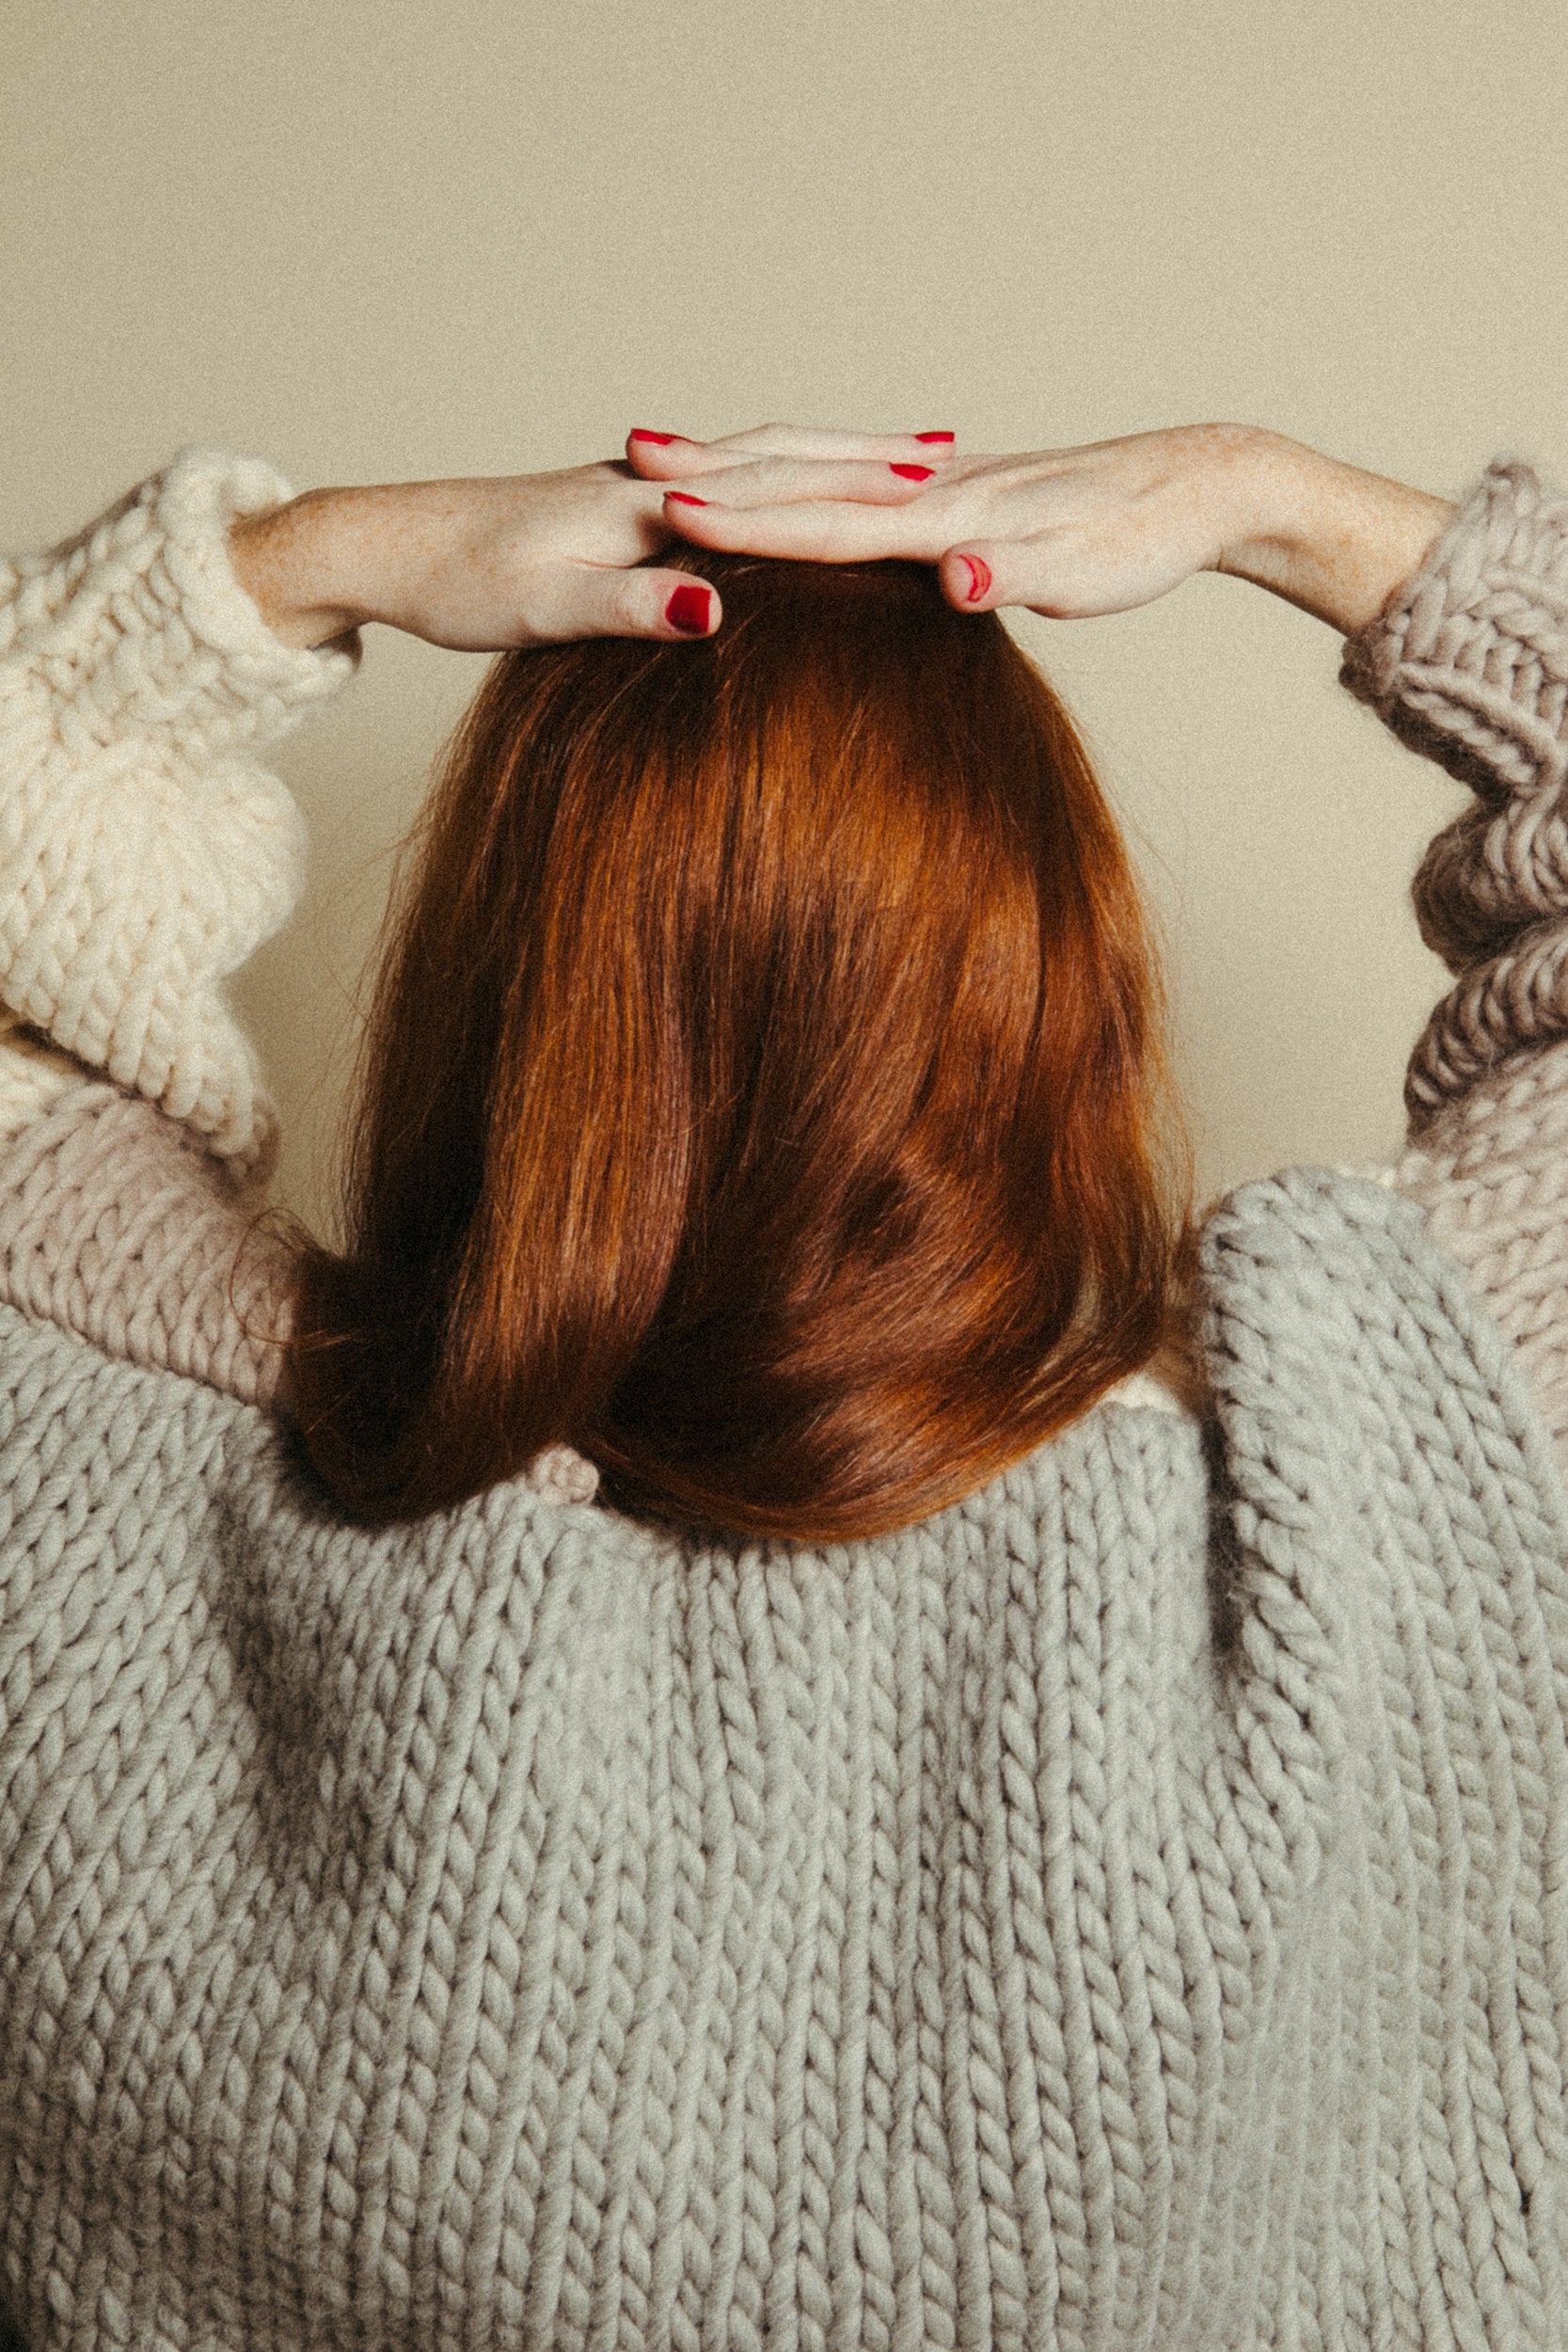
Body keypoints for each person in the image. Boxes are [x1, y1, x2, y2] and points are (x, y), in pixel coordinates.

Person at [0, 417, 1562, 2349]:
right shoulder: (1383, 1462)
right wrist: (1284, 504)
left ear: (496, 960)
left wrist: (313, 558)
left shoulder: (103, 1446)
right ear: (1050, 969)